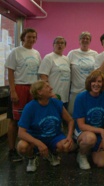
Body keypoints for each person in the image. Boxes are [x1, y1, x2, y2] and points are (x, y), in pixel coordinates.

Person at [16, 80, 74, 172]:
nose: (51, 88)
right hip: (36, 137)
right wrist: (38, 143)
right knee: (22, 146)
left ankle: (53, 153)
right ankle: (32, 158)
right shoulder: (30, 107)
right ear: (39, 92)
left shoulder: (56, 103)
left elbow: (70, 120)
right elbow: (21, 133)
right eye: (47, 87)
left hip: (54, 136)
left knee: (66, 146)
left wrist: (69, 136)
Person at [5, 28, 41, 162]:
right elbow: (10, 72)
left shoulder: (36, 53)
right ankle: (12, 150)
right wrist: (13, 90)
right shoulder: (16, 52)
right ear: (23, 38)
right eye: (29, 37)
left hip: (32, 88)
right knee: (15, 120)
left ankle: (28, 147)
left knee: (31, 120)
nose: (31, 39)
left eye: (34, 37)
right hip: (19, 87)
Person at [73, 70, 104, 170]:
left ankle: (90, 148)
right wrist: (101, 131)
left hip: (99, 132)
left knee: (101, 163)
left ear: (103, 83)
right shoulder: (81, 97)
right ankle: (81, 154)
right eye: (93, 82)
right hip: (84, 132)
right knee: (90, 138)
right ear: (89, 83)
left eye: (99, 82)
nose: (96, 84)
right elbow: (81, 125)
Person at [67, 31, 98, 115]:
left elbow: (97, 72)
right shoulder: (72, 53)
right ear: (79, 40)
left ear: (90, 41)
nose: (85, 40)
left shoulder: (94, 54)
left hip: (89, 90)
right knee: (73, 113)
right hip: (75, 90)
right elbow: (66, 70)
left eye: (87, 38)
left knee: (88, 113)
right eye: (83, 38)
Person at [39, 36, 70, 108]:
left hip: (64, 97)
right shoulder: (49, 57)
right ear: (53, 45)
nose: (60, 45)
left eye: (62, 43)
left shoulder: (67, 59)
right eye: (57, 43)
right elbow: (43, 76)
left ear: (65, 46)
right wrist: (50, 93)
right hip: (52, 96)